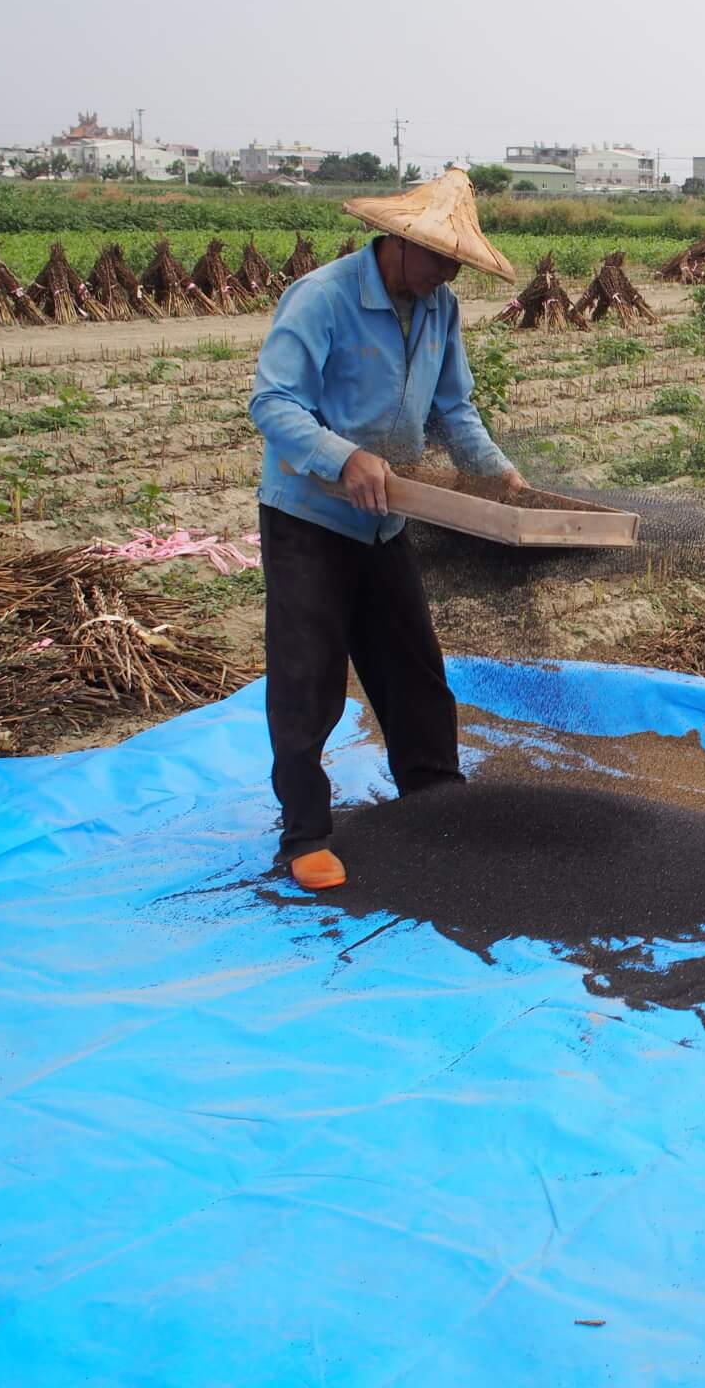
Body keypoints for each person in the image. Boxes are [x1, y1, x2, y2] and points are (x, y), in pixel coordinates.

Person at [249, 168, 526, 890]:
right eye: (439, 258)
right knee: (309, 680)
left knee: (414, 671)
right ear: (401, 243)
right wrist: (343, 459)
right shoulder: (323, 298)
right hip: (309, 517)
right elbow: (273, 405)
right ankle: (304, 834)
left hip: (386, 517)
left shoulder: (440, 309)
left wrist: (496, 472)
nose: (446, 273)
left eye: (456, 263)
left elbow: (453, 409)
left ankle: (436, 804)